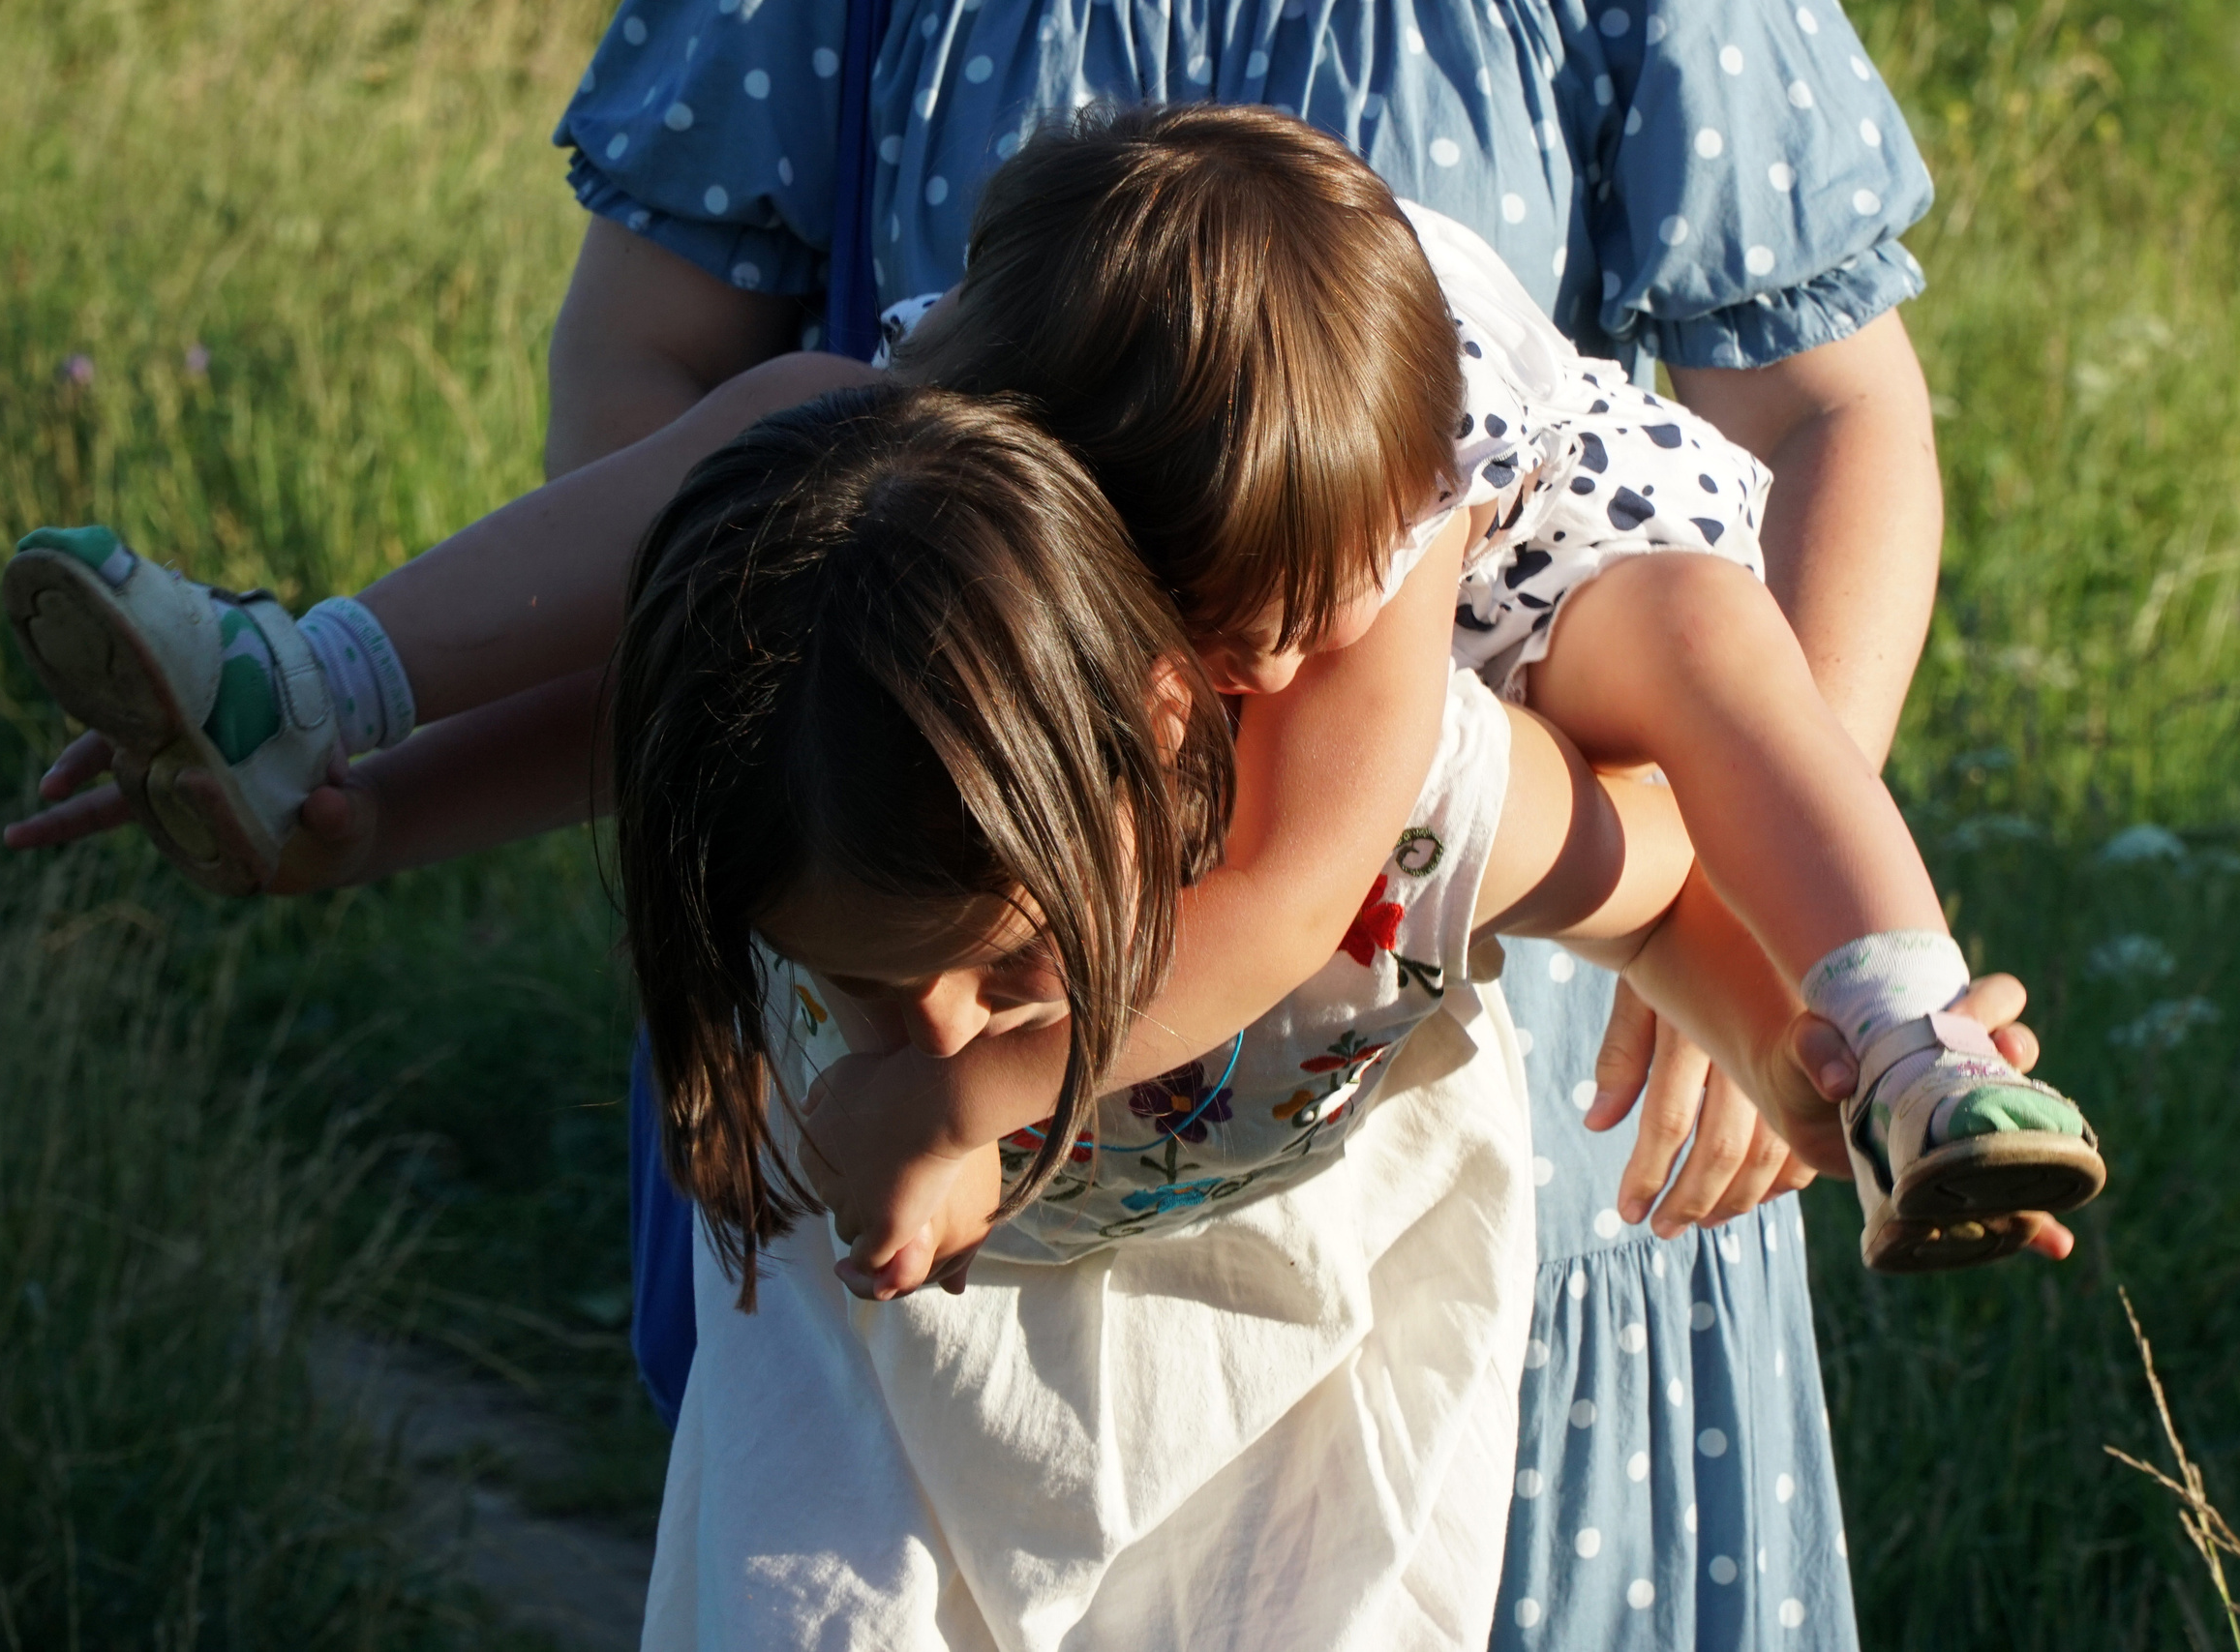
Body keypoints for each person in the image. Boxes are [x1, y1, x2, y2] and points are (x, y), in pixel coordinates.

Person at [535, 2, 2012, 1639]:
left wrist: (1753, 950)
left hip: (1516, 1066)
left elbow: (1830, 412)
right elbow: (659, 370)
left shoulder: (1429, 669)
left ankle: (1903, 1035)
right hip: (955, 973)